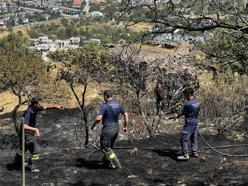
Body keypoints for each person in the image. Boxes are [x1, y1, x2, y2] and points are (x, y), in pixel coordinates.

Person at [7, 98, 64, 172]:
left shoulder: (35, 109)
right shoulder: (28, 112)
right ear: (35, 105)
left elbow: (46, 107)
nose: (41, 105)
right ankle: (32, 167)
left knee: (23, 149)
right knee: (35, 150)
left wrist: (57, 106)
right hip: (26, 133)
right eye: (39, 104)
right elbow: (24, 126)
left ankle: (16, 164)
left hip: (28, 133)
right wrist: (36, 130)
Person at [91, 90, 129, 169]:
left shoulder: (105, 105)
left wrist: (93, 125)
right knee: (109, 147)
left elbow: (98, 118)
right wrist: (125, 126)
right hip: (116, 128)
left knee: (105, 148)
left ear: (105, 96)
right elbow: (126, 114)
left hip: (108, 129)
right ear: (111, 96)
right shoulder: (118, 104)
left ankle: (117, 165)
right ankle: (107, 163)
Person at [173, 88, 200, 160]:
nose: (184, 96)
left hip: (189, 123)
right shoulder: (197, 102)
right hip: (195, 121)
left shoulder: (188, 104)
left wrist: (176, 116)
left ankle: (185, 155)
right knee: (193, 137)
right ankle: (194, 152)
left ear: (188, 94)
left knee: (183, 138)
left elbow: (182, 112)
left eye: (185, 95)